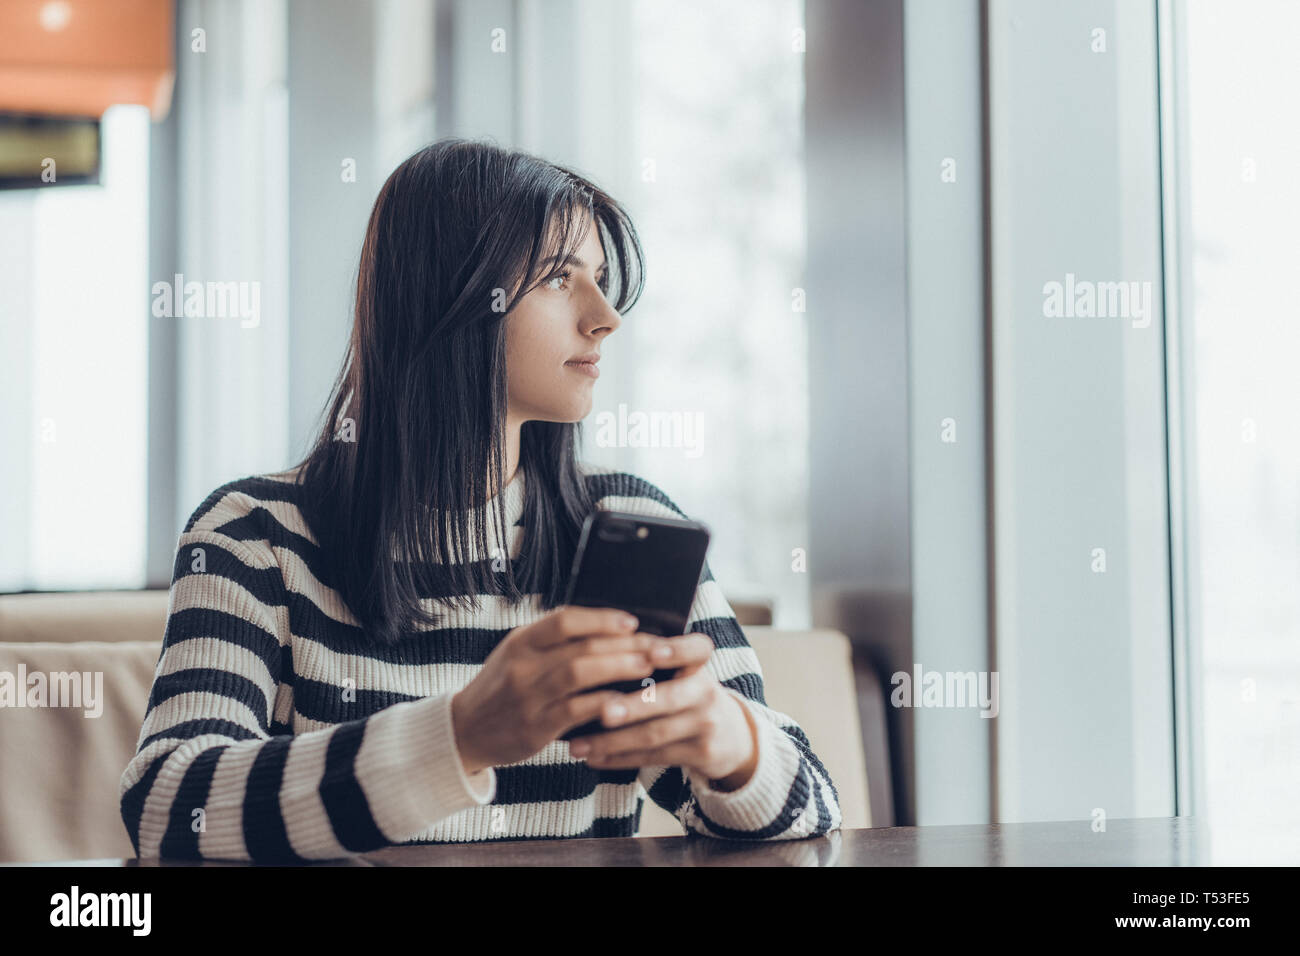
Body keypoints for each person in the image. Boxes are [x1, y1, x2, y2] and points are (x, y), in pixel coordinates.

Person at [119, 138, 841, 862]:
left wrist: (730, 740)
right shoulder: (254, 537)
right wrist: (460, 735)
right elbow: (166, 808)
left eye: (600, 277)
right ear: (453, 296)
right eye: (561, 278)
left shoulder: (629, 530)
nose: (605, 316)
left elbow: (810, 805)